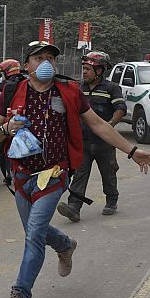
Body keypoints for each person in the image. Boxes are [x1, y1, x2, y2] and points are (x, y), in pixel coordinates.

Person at [0, 41, 150, 298]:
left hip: (54, 175)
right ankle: (65, 245)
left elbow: (98, 124)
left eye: (50, 58)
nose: (46, 63)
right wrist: (6, 128)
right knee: (37, 231)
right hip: (21, 177)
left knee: (33, 235)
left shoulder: (69, 91)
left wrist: (131, 151)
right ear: (27, 64)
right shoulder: (11, 91)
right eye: (39, 58)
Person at [57, 51, 127, 221]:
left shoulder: (111, 88)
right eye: (84, 68)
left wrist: (109, 126)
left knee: (108, 174)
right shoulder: (77, 87)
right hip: (83, 142)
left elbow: (121, 109)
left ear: (100, 71)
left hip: (104, 143)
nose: (84, 72)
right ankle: (74, 207)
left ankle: (111, 200)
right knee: (80, 175)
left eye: (88, 69)